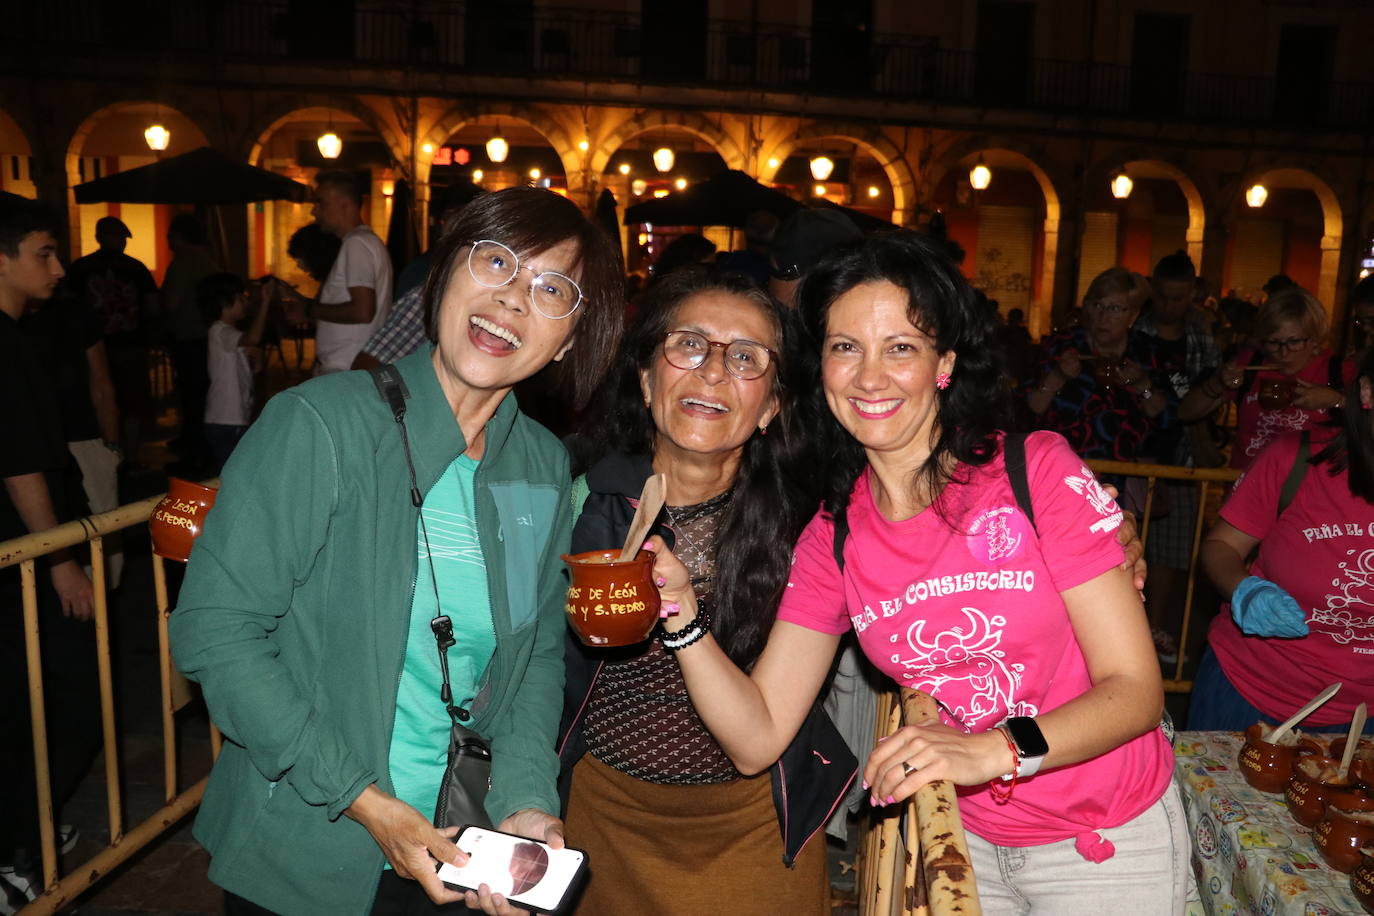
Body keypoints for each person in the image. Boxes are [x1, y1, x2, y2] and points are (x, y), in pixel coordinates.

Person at [648, 233, 1184, 912]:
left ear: (944, 365)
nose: (871, 377)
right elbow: (756, 739)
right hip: (959, 842)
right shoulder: (832, 537)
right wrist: (685, 622)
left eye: (900, 347)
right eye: (846, 348)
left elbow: (1137, 691)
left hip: (1105, 839)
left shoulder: (1033, 471)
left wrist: (995, 751)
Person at [169, 188, 624, 916]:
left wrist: (527, 803)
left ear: (570, 338)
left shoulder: (538, 465)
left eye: (551, 289)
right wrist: (362, 800)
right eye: (496, 261)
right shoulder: (319, 426)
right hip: (310, 844)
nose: (512, 299)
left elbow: (532, 654)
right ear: (443, 278)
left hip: (455, 849)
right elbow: (216, 632)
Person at [559, 268, 853, 916]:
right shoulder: (575, 500)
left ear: (773, 405)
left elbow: (934, 549)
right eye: (689, 345)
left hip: (752, 837)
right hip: (598, 830)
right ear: (646, 377)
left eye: (745, 358)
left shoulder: (809, 530)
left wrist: (1090, 539)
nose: (713, 372)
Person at [1188, 347, 1374, 732]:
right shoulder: (1296, 458)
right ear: (1368, 393)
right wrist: (1245, 590)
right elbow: (1220, 547)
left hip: (1362, 716)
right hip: (1250, 690)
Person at [0, 197, 98, 911]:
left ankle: (28, 825)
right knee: (60, 704)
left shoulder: (20, 334)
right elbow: (21, 459)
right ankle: (12, 847)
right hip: (26, 555)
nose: (58, 269)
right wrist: (60, 556)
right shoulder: (3, 343)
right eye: (43, 253)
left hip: (21, 553)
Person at [1179, 285, 1352, 470]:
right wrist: (1218, 382)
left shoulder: (1339, 372)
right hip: (1248, 489)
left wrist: (1337, 400)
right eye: (1273, 342)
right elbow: (1185, 413)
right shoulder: (1250, 364)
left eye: (1294, 342)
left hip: (1309, 493)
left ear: (1315, 339)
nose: (1283, 353)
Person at [1027, 267, 1170, 469]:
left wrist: (1142, 386)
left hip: (1127, 473)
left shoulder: (1148, 352)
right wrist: (1057, 376)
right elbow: (1028, 412)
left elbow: (1167, 419)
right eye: (1097, 305)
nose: (1103, 317)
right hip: (1061, 470)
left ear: (1133, 316)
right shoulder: (1061, 345)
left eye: (1115, 309)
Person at [62, 215, 158, 458]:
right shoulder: (135, 268)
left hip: (96, 346)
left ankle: (107, 452)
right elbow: (152, 306)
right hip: (126, 344)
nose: (122, 242)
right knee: (130, 402)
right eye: (120, 237)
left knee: (102, 399)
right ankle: (129, 455)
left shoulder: (80, 269)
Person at [284, 171, 393, 375]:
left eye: (321, 203)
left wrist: (309, 311)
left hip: (344, 368)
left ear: (345, 204)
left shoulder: (356, 244)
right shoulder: (365, 242)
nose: (314, 212)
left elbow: (362, 311)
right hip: (349, 367)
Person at [198, 273, 272, 470]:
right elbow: (253, 339)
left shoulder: (230, 335)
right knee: (232, 475)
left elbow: (252, 363)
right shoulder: (220, 331)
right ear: (225, 302)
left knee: (235, 472)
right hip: (226, 420)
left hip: (232, 419)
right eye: (241, 298)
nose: (246, 302)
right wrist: (265, 303)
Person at [162, 213, 219, 467]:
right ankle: (197, 441)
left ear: (179, 236)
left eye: (170, 236)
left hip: (189, 335)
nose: (167, 241)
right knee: (201, 392)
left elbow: (171, 302)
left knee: (191, 393)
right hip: (206, 335)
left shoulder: (183, 261)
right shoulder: (207, 259)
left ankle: (194, 446)